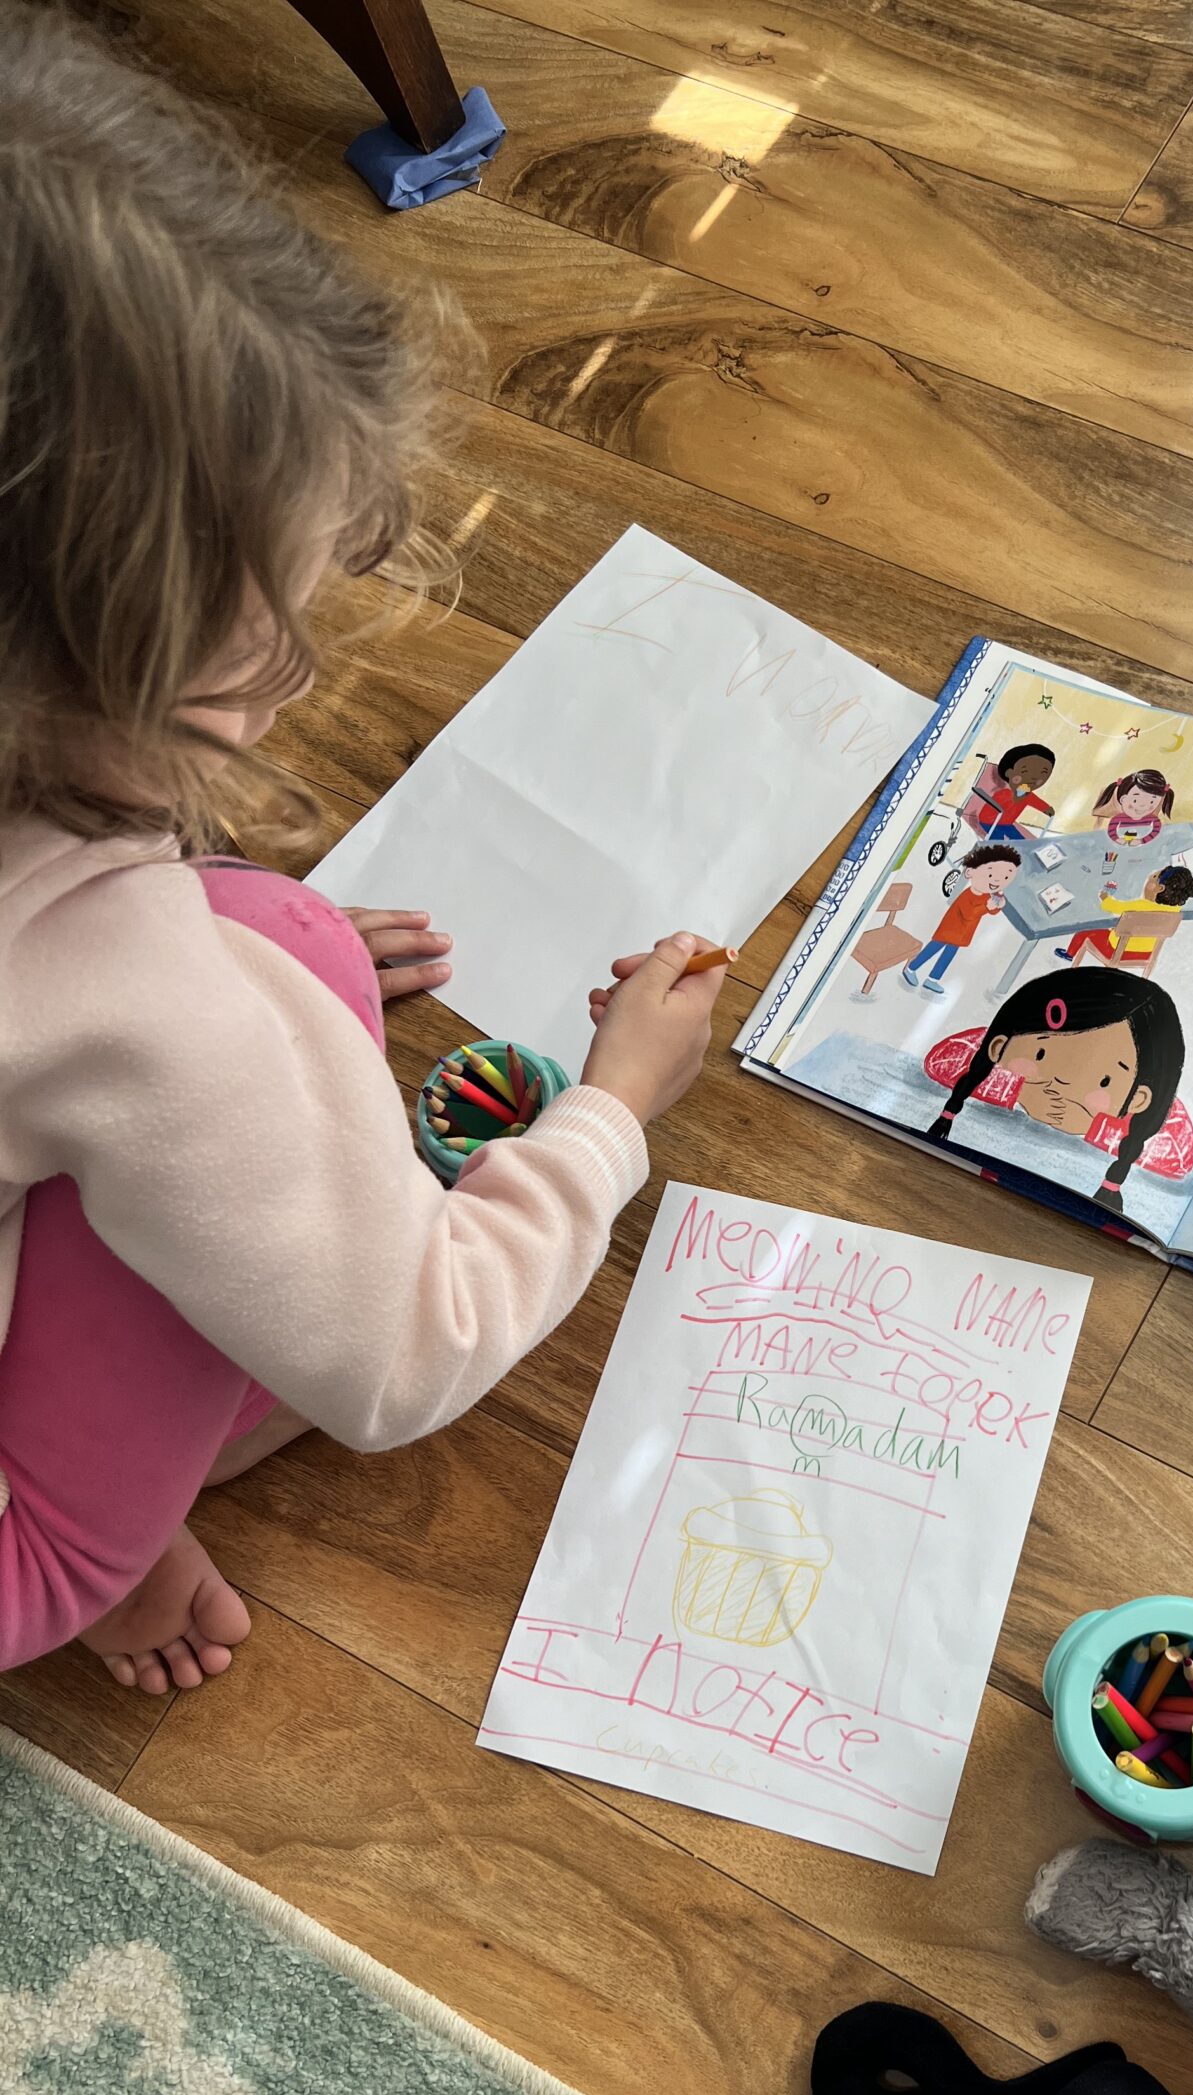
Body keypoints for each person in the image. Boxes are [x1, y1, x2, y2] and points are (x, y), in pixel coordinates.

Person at [0, 10, 725, 1691]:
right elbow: (408, 1350)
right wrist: (614, 1110)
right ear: (81, 658)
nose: (310, 669)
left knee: (296, 960)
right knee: (244, 1084)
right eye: (272, 634)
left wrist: (237, 960)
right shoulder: (134, 1004)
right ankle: (64, 1547)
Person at [925, 971, 1185, 1212]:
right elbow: (942, 1062)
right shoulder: (976, 1095)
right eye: (1041, 1053)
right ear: (998, 1048)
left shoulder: (1129, 1151)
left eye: (1104, 1080)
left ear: (1139, 1100)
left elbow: (1177, 1156)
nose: (1061, 1079)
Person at [902, 843, 1021, 989]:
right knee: (931, 950)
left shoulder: (985, 895)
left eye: (1005, 878)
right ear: (970, 872)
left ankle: (932, 979)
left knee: (947, 957)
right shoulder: (967, 895)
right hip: (949, 930)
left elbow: (991, 909)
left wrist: (998, 905)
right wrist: (987, 907)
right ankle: (911, 968)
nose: (996, 881)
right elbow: (969, 914)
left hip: (962, 934)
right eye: (990, 875)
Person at [1058, 864, 1193, 964]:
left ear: (1159, 888)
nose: (1149, 877)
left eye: (1153, 877)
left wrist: (1104, 897)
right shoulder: (1175, 911)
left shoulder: (1140, 906)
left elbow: (1112, 906)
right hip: (1147, 952)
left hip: (1116, 951)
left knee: (1085, 930)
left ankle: (1070, 954)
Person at [970, 743, 1055, 840]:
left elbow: (1037, 802)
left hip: (1007, 823)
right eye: (1025, 771)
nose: (1033, 778)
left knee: (1021, 841)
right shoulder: (1004, 793)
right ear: (1009, 773)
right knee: (998, 842)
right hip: (989, 821)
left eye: (1042, 773)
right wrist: (1017, 795)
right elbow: (997, 807)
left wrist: (1047, 809)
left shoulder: (1028, 795)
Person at [1092, 768, 1175, 850]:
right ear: (1123, 799)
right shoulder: (1118, 818)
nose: (1142, 806)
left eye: (1151, 802)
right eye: (1135, 800)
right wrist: (1117, 839)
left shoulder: (1153, 819)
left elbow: (1156, 831)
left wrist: (1142, 841)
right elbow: (1111, 831)